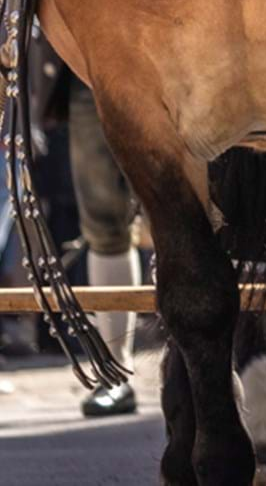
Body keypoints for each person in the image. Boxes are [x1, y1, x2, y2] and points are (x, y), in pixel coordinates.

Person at [69, 77, 141, 416]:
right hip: (87, 62)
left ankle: (209, 366)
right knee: (103, 225)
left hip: (180, 49)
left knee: (200, 213)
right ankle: (115, 371)